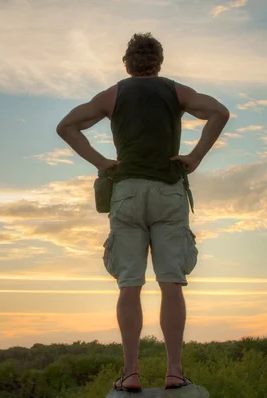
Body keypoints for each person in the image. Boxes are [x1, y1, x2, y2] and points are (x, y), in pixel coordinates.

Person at [56, 32, 230, 391]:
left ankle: (131, 372)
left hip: (127, 193)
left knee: (129, 285)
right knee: (171, 284)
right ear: (159, 62)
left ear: (127, 63)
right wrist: (195, 157)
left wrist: (103, 163)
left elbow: (67, 126)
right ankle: (174, 371)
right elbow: (218, 112)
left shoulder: (113, 95)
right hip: (168, 191)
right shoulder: (176, 92)